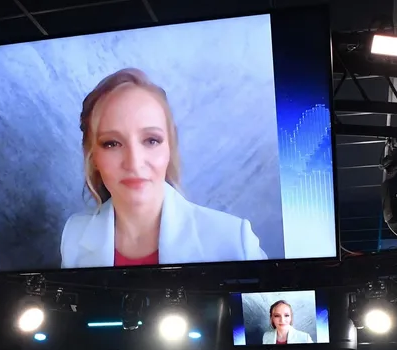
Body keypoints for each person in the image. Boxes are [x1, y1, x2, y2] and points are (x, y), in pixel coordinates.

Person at [60, 68, 267, 268]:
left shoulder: (234, 241)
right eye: (112, 143)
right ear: (93, 156)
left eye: (151, 140)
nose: (134, 162)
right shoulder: (73, 235)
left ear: (170, 148)